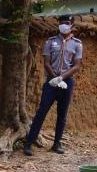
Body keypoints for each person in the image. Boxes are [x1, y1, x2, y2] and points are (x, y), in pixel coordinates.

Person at [24, 15, 83, 156]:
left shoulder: (77, 44)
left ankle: (57, 144)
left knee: (62, 114)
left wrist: (62, 78)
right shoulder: (50, 42)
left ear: (72, 25)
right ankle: (28, 144)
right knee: (41, 112)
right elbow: (46, 63)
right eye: (61, 23)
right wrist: (56, 78)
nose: (64, 25)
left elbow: (76, 65)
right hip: (51, 82)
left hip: (67, 82)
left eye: (67, 23)